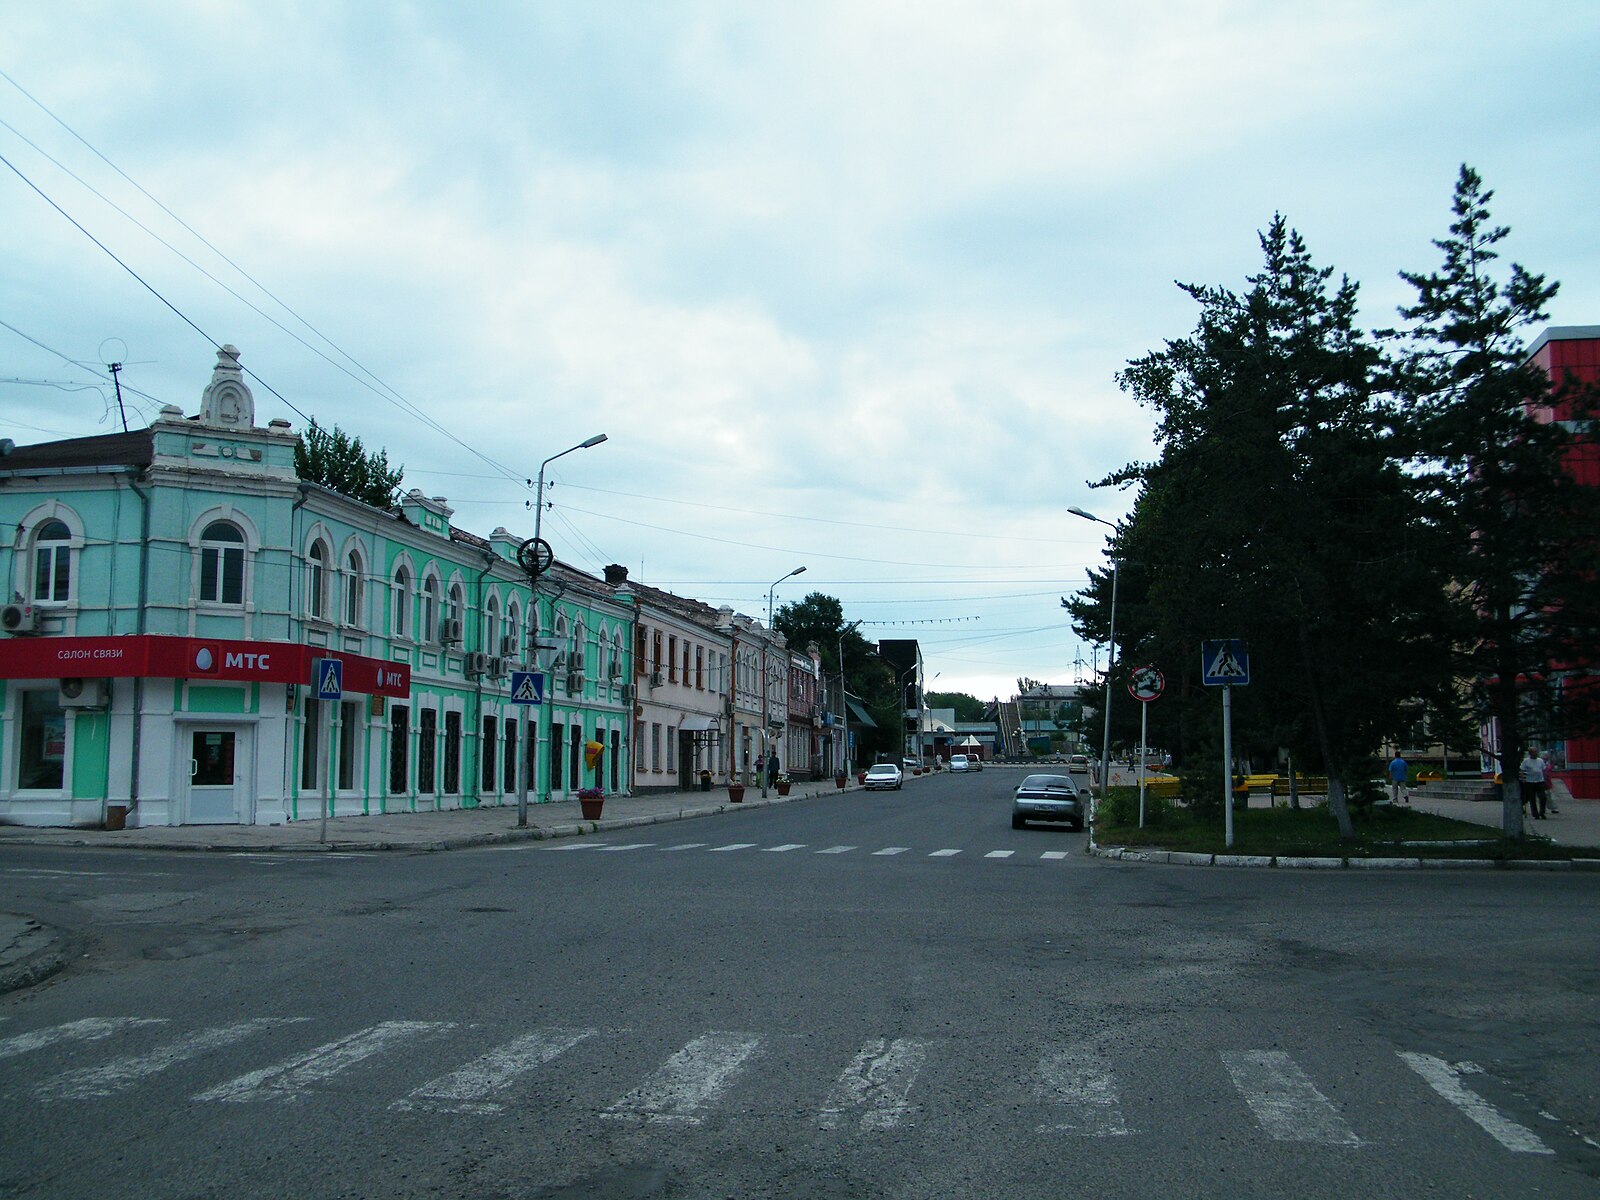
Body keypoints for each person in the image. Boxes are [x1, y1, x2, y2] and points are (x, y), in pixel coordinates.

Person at [1520, 746, 1548, 820]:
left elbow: (1544, 770)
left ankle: (1542, 812)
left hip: (1540, 781)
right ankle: (1535, 814)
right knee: (1532, 799)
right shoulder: (1526, 761)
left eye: (1536, 752)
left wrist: (1546, 779)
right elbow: (1522, 771)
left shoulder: (1540, 760)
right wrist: (1523, 779)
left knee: (1543, 797)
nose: (1535, 753)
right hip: (1530, 782)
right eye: (1533, 752)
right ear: (1530, 753)